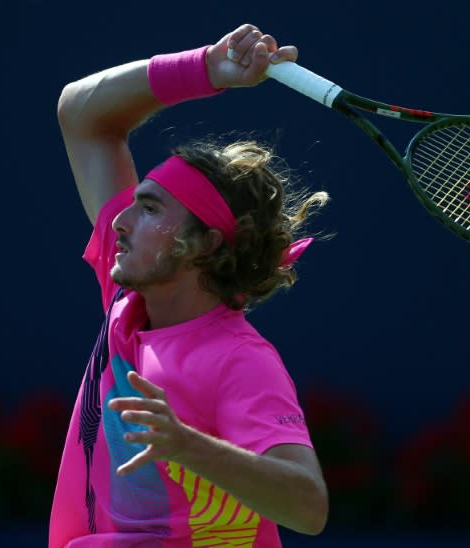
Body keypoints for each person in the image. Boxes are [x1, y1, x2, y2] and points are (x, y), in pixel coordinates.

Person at [50, 23, 330, 547]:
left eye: (150, 207)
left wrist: (186, 446)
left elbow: (308, 506)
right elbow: (81, 114)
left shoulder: (239, 359)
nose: (119, 221)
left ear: (201, 245)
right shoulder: (131, 297)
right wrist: (206, 67)